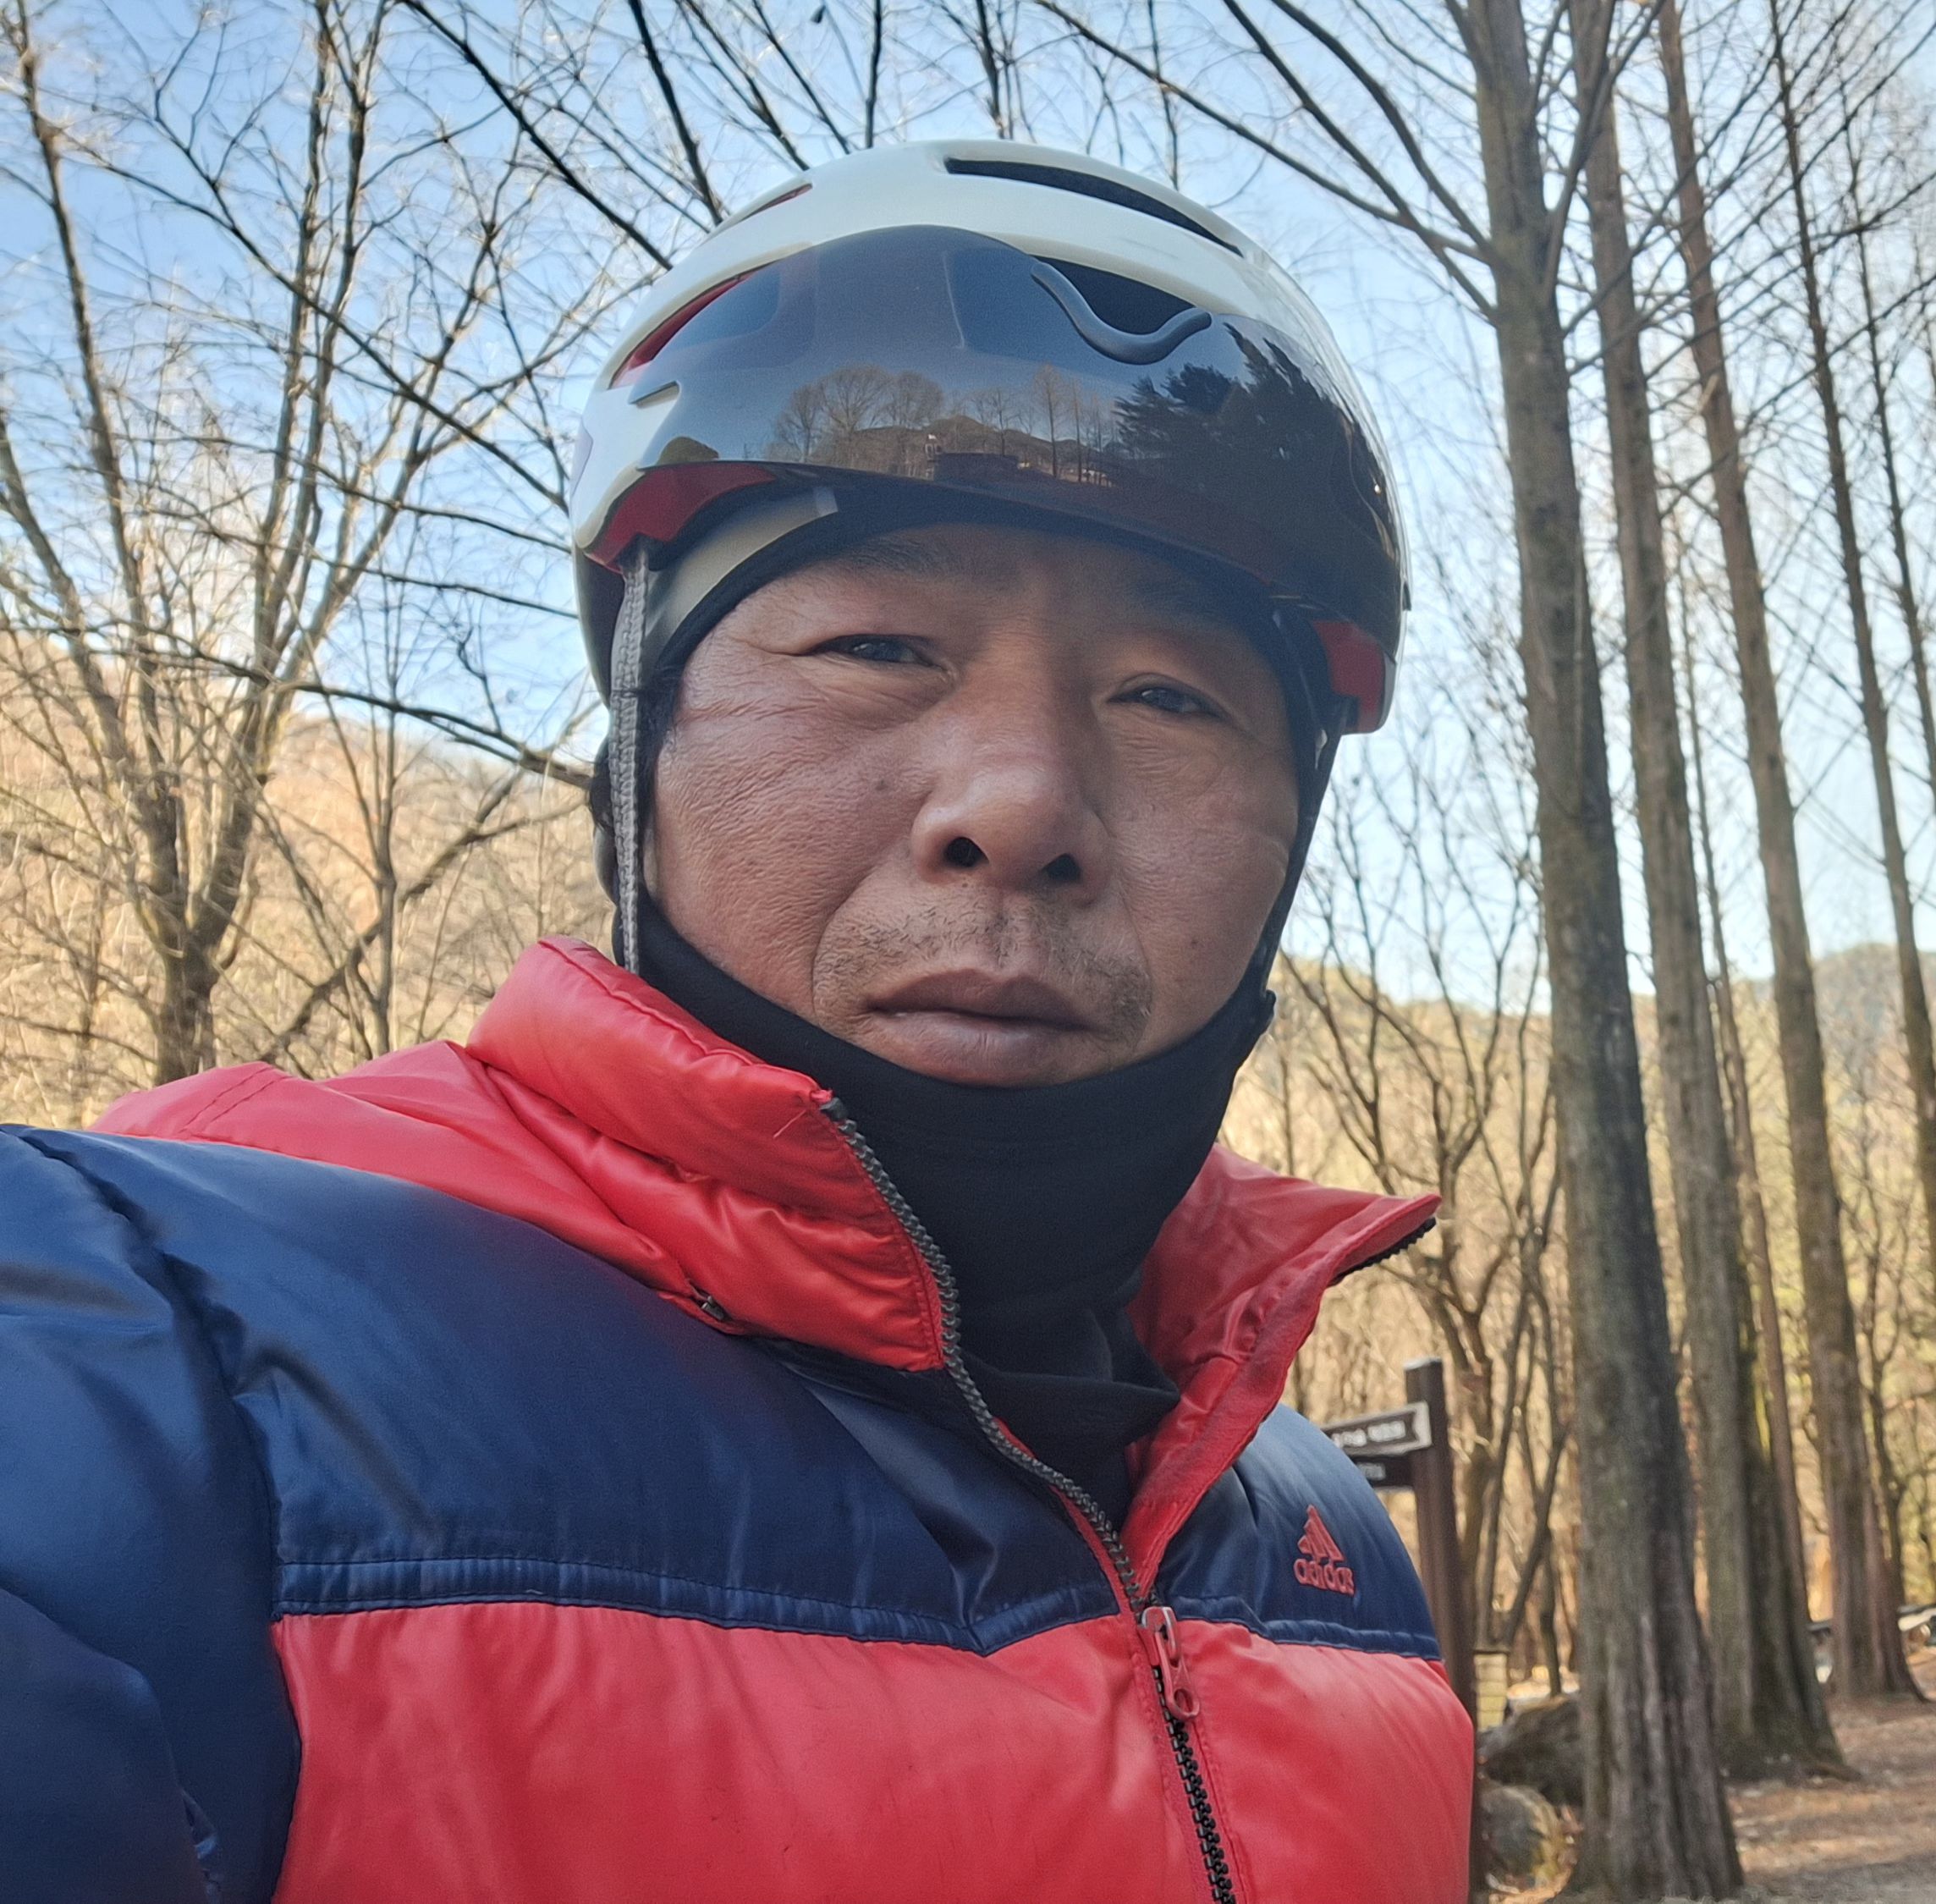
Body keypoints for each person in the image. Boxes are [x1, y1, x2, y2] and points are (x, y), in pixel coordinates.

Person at [0, 140, 1472, 1903]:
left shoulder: (1323, 1550)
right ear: (642, 747)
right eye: (877, 646)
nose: (1021, 805)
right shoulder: (134, 1361)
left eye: (1169, 697)